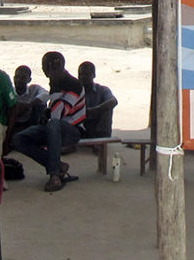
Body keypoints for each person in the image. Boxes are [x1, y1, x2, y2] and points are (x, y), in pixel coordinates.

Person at [12, 51, 87, 192]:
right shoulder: (56, 82)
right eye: (43, 66)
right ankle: (57, 165)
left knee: (53, 124)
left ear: (56, 68)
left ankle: (55, 176)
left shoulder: (73, 84)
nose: (44, 70)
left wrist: (55, 85)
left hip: (72, 131)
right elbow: (52, 111)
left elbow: (58, 114)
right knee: (19, 138)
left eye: (47, 66)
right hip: (55, 128)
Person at [77, 61, 118, 139]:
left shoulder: (102, 90)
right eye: (80, 74)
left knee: (107, 109)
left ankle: (102, 139)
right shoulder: (75, 91)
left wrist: (94, 110)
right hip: (82, 126)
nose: (82, 77)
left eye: (86, 74)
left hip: (98, 125)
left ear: (94, 75)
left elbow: (113, 101)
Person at [12, 65, 48, 131]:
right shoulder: (10, 91)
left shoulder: (34, 89)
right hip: (13, 124)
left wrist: (29, 105)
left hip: (31, 122)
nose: (19, 80)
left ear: (29, 80)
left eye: (23, 78)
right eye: (17, 77)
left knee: (40, 106)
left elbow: (46, 94)